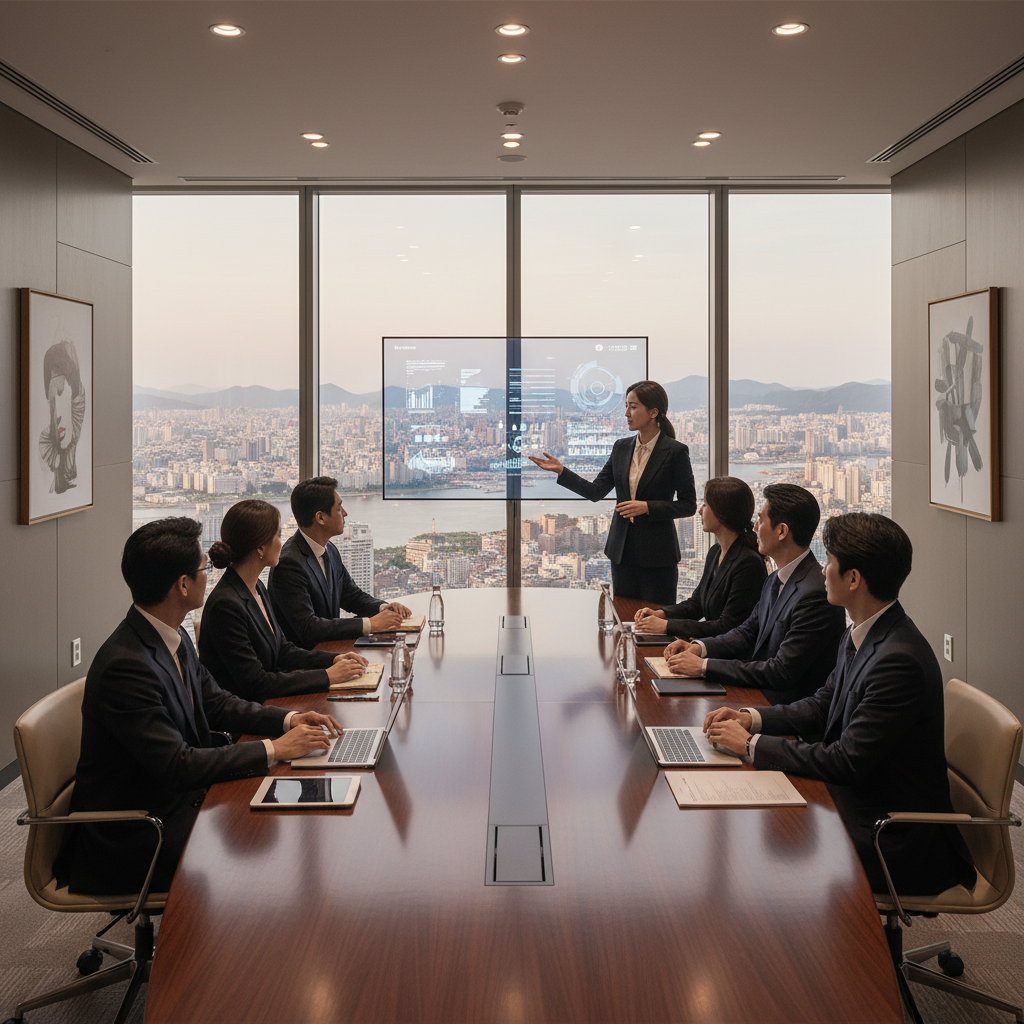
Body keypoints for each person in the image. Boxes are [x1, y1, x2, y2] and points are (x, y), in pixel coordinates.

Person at [58, 518, 340, 894]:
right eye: (204, 569)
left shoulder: (170, 634)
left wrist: (288, 720)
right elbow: (178, 765)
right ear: (183, 584)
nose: (210, 575)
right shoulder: (126, 666)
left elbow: (218, 703)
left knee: (286, 814)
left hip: (175, 801)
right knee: (273, 855)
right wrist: (274, 749)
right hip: (140, 832)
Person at [703, 513, 976, 896]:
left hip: (893, 837)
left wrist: (749, 746)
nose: (823, 569)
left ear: (853, 579)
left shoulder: (898, 661)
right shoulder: (867, 631)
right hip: (861, 802)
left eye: (829, 560)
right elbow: (819, 705)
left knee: (760, 856)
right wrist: (751, 719)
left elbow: (845, 761)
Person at [664, 482, 845, 703]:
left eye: (761, 519)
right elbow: (746, 633)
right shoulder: (775, 579)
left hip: (784, 712)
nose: (755, 526)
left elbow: (780, 672)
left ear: (781, 531)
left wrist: (704, 666)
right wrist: (699, 648)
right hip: (756, 696)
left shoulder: (815, 594)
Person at [528, 380, 696, 603]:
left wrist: (647, 507)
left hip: (658, 554)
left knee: (656, 622)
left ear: (654, 412)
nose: (626, 413)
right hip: (622, 551)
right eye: (626, 406)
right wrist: (561, 471)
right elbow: (596, 491)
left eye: (633, 407)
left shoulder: (675, 451)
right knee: (624, 617)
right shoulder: (621, 447)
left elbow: (689, 505)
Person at [199, 500, 369, 702]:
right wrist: (328, 675)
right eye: (277, 536)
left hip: (272, 703)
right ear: (260, 548)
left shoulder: (255, 587)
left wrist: (333, 659)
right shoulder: (225, 605)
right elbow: (257, 684)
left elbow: (283, 650)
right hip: (249, 719)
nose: (282, 542)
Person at [268, 476, 412, 647]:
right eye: (339, 508)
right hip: (308, 662)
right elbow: (308, 628)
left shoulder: (330, 550)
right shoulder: (289, 564)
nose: (345, 513)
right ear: (320, 518)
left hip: (332, 650)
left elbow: (352, 596)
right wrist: (370, 624)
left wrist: (384, 609)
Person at [634, 476, 767, 639]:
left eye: (705, 504)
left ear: (721, 512)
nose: (700, 510)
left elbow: (728, 626)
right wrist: (661, 614)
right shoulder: (715, 552)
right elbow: (696, 604)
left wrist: (667, 626)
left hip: (728, 656)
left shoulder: (749, 563)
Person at [38, 339, 86, 495]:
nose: (58, 414)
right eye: (52, 401)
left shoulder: (77, 406)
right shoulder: (45, 444)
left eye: (62, 395)